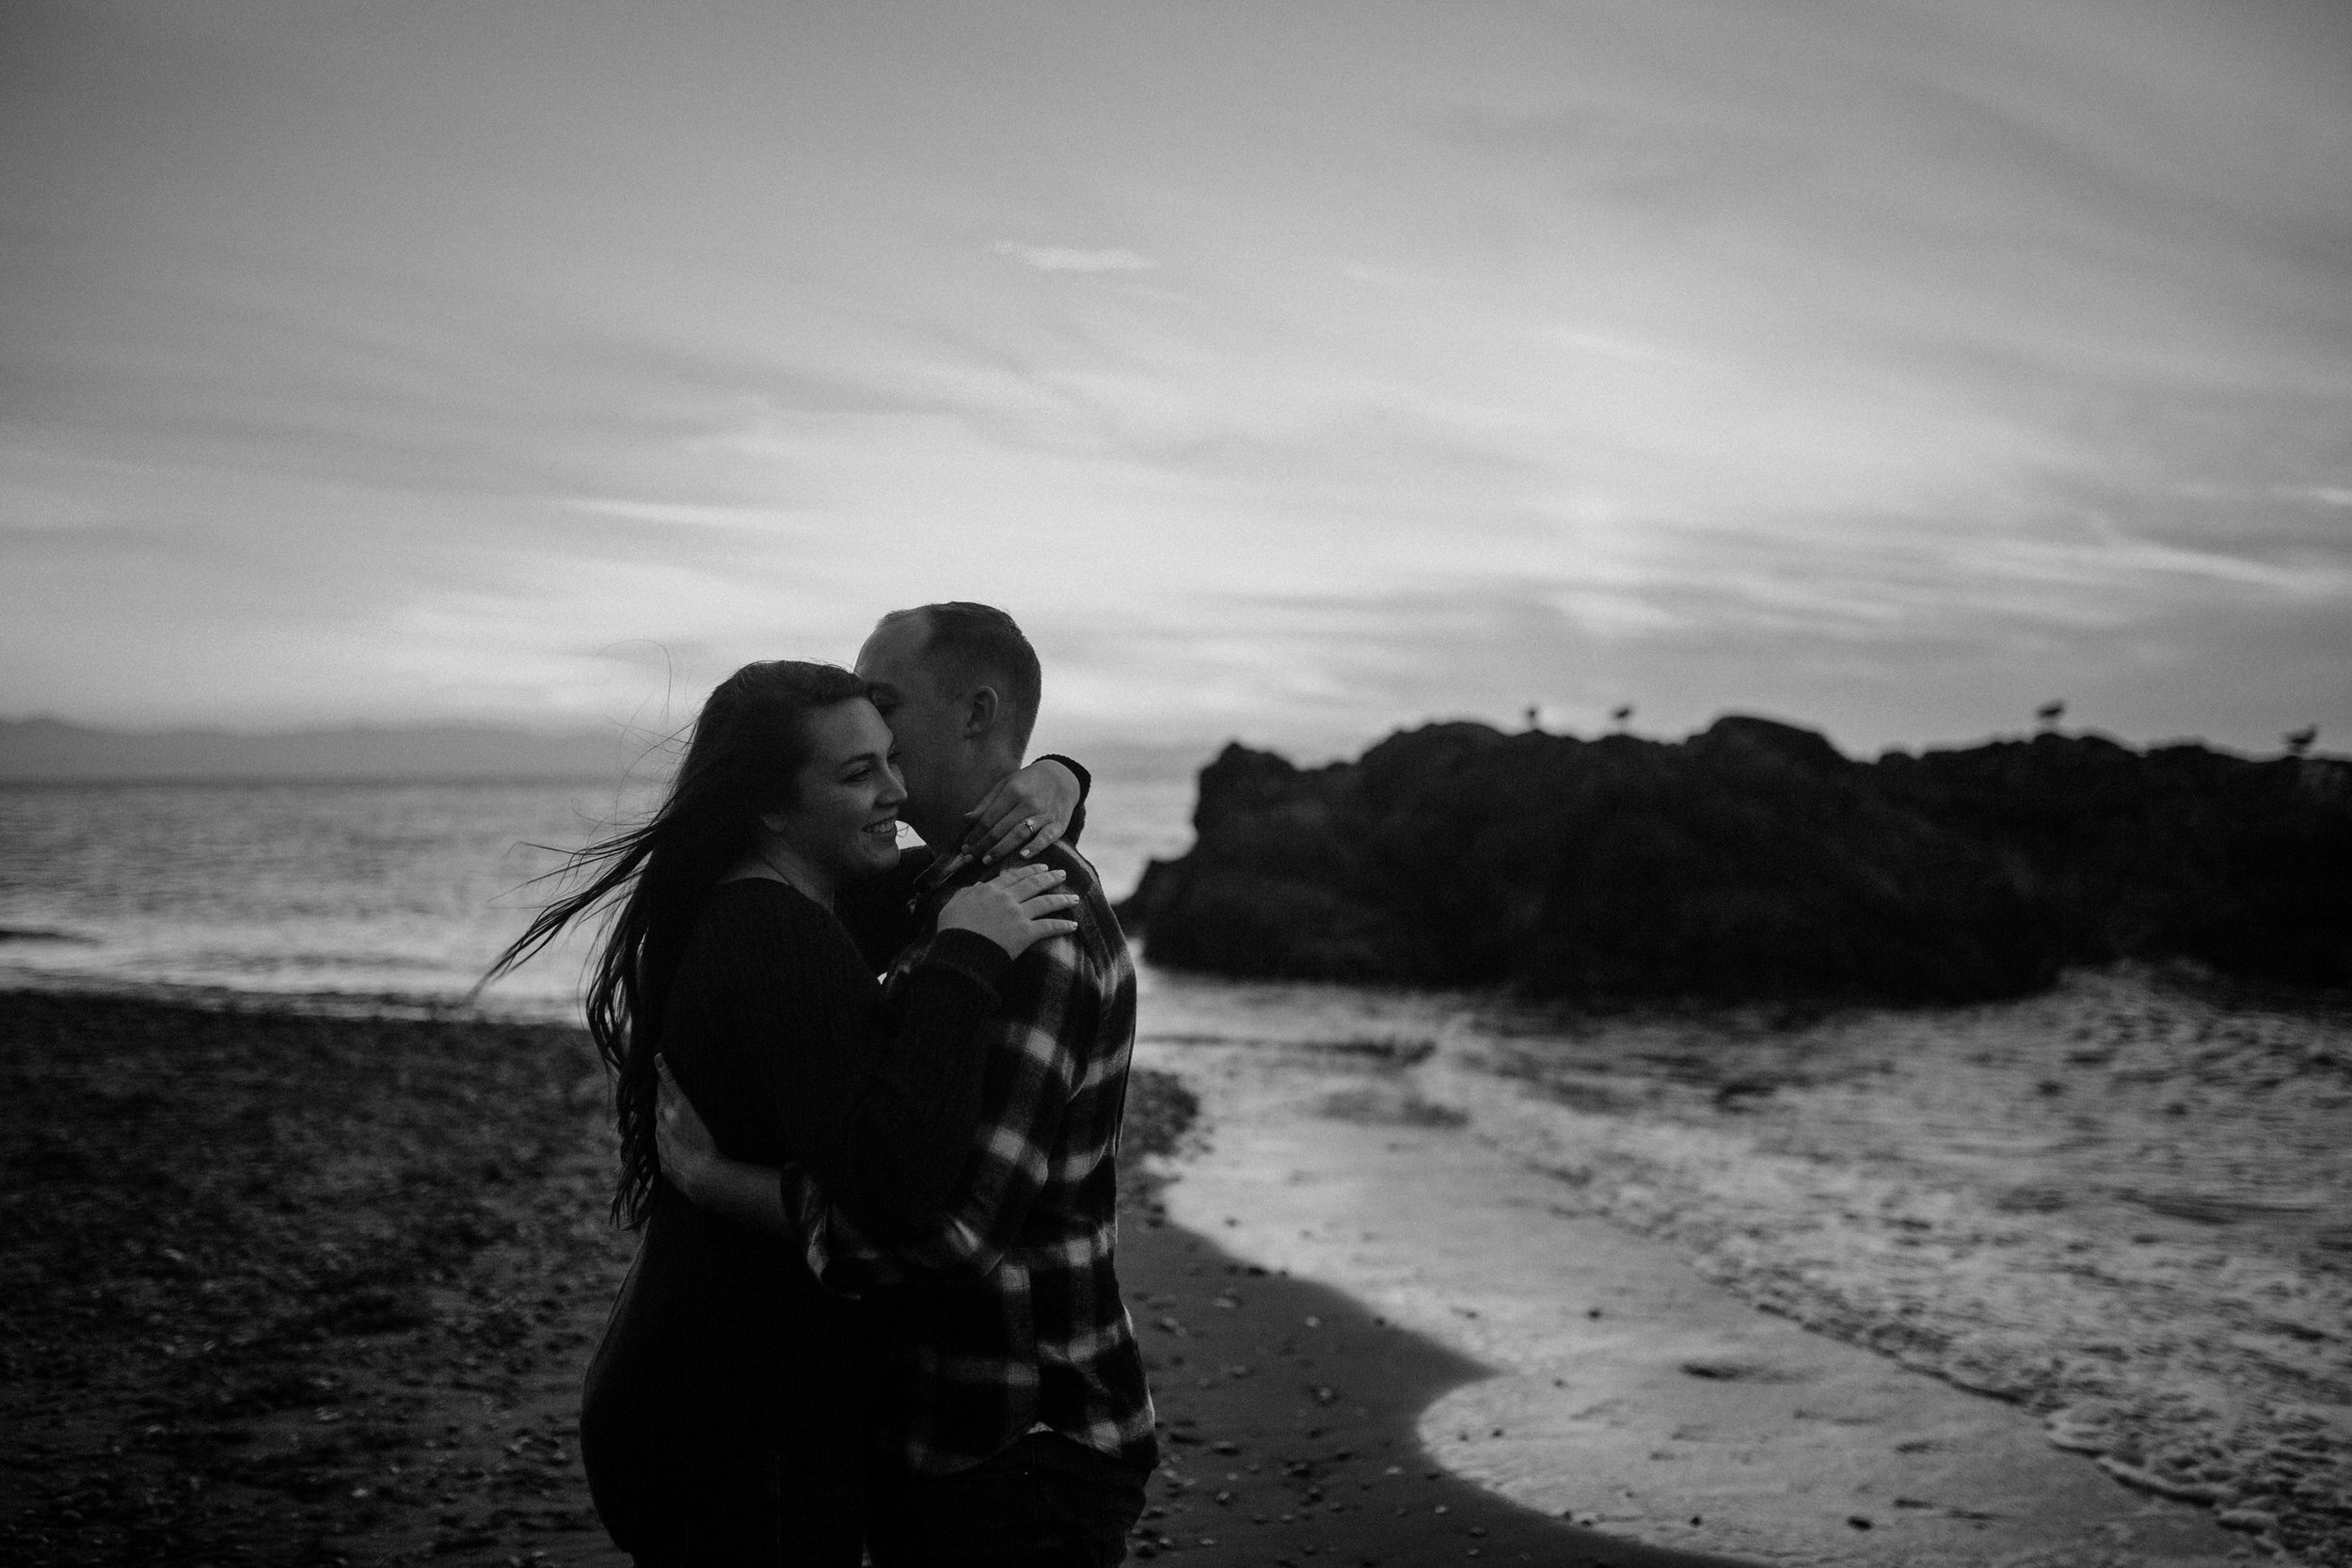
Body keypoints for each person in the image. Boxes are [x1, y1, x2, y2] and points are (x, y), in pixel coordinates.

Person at [480, 657, 1090, 1565]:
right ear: (771, 805)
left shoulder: (799, 896)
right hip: (731, 1418)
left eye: (891, 757)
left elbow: (963, 864)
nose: (896, 790)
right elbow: (894, 1185)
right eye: (858, 774)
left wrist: (1061, 778)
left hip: (719, 1393)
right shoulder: (771, 935)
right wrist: (966, 959)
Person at [658, 603, 1157, 1567]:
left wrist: (719, 1184)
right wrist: (1063, 776)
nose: (873, 735)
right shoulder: (950, 890)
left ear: (975, 714)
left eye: (884, 705)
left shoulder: (1030, 916)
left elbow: (952, 1233)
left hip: (1020, 1443)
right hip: (952, 1435)